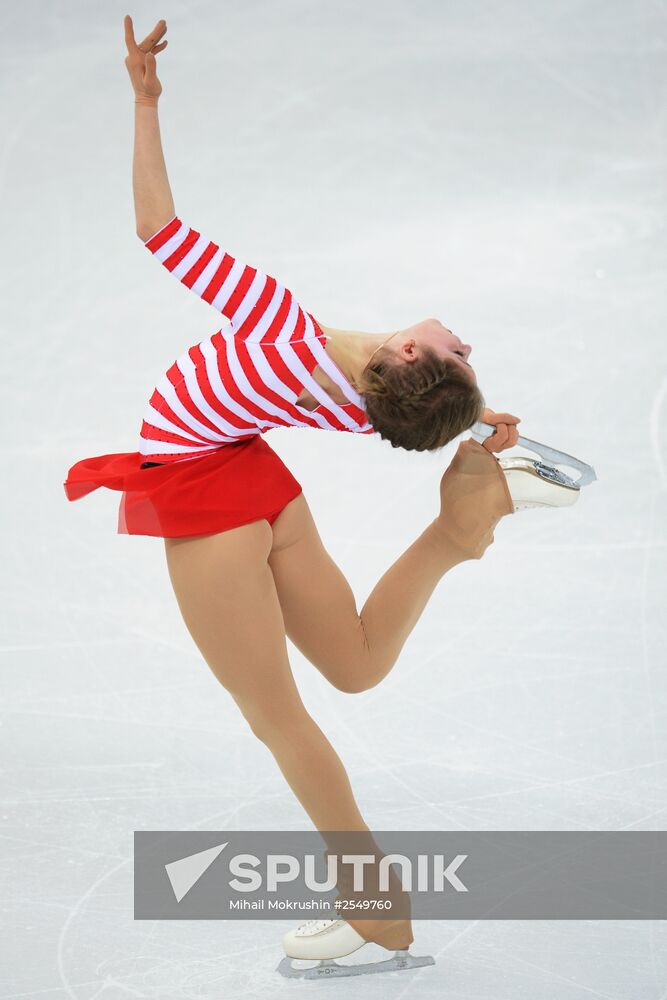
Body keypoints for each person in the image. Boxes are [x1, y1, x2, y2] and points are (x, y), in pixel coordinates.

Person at [64, 16, 535, 976]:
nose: (462, 344)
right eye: (461, 358)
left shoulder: (291, 337)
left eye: (454, 352)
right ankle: (455, 532)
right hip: (253, 483)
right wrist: (483, 429)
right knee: (353, 669)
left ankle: (377, 912)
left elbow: (159, 229)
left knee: (280, 719)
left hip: (209, 497)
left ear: (406, 354)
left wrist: (145, 104)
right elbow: (424, 411)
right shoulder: (371, 400)